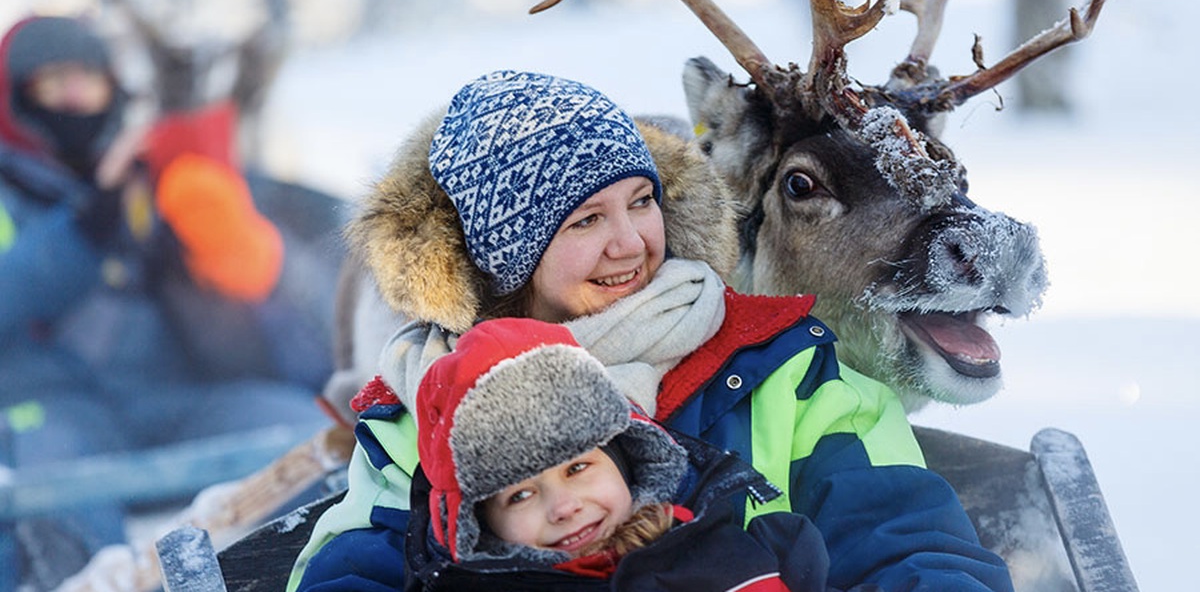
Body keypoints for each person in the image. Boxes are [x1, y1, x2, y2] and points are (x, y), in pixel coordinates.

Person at [290, 70, 1014, 591]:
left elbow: (907, 541)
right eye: (585, 221)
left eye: (641, 201)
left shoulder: (785, 372)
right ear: (506, 259)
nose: (631, 242)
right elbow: (352, 565)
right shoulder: (425, 410)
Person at [0, 15, 329, 588]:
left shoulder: (144, 169)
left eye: (89, 81)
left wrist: (205, 236)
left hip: (171, 399)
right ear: (16, 99)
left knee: (306, 437)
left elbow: (267, 276)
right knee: (53, 508)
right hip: (51, 409)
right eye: (56, 83)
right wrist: (83, 228)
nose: (76, 98)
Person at [402, 317, 846, 591]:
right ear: (478, 524)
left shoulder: (726, 554)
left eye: (578, 467)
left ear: (626, 458)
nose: (564, 506)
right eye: (519, 495)